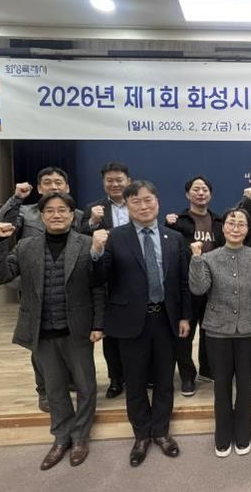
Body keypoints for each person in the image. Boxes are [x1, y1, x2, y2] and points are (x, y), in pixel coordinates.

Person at [0, 192, 105, 470]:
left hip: (77, 329)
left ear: (72, 215)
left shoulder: (86, 243)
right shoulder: (26, 246)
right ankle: (61, 437)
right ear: (41, 216)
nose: (56, 215)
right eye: (50, 210)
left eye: (62, 210)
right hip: (41, 330)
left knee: (86, 385)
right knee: (54, 389)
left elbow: (99, 287)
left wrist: (99, 323)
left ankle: (80, 437)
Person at [91, 180, 191, 467]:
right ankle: (141, 435)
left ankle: (161, 431)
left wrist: (185, 316)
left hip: (166, 319)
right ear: (127, 205)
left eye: (148, 200)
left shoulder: (174, 238)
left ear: (157, 202)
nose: (143, 206)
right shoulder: (115, 237)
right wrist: (96, 252)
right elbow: (98, 278)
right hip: (129, 321)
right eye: (136, 201)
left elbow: (183, 282)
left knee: (164, 380)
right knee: (134, 382)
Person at [0, 166, 84, 413]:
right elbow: (4, 223)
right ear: (38, 187)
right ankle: (44, 389)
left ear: (67, 187)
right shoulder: (26, 212)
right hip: (35, 285)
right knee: (40, 339)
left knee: (68, 335)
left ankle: (68, 379)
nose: (53, 186)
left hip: (67, 283)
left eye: (58, 182)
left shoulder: (77, 214)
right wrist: (16, 198)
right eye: (47, 182)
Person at [188, 208, 251, 457]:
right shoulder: (209, 257)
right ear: (223, 227)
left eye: (241, 224)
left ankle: (243, 434)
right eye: (231, 223)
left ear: (248, 229)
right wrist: (196, 259)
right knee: (221, 388)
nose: (236, 228)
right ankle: (222, 436)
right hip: (217, 332)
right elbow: (198, 289)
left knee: (246, 386)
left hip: (248, 331)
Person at [165, 175, 225, 394]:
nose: (201, 193)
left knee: (210, 332)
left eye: (205, 189)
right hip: (187, 286)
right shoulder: (177, 221)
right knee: (185, 335)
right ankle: (187, 376)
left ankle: (207, 370)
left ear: (210, 194)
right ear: (187, 194)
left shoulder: (219, 221)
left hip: (213, 286)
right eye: (196, 189)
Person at [80, 161, 132, 399]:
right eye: (110, 180)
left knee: (137, 329)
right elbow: (79, 236)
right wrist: (92, 222)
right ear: (103, 183)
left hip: (135, 272)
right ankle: (115, 378)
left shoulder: (138, 203)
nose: (115, 184)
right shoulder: (94, 208)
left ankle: (137, 375)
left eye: (119, 179)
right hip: (107, 276)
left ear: (128, 181)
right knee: (111, 332)